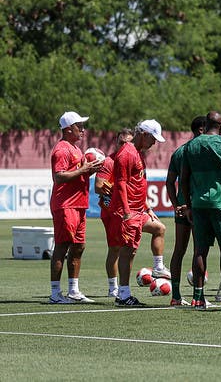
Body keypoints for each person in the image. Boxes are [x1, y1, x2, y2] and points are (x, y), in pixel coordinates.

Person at [181, 111, 221, 310]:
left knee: (200, 250)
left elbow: (184, 179)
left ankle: (198, 299)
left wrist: (187, 205)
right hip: (220, 205)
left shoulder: (191, 145)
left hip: (198, 205)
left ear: (205, 124)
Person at [48, 111, 104, 303]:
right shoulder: (62, 149)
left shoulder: (76, 149)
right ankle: (55, 293)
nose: (83, 129)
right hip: (65, 204)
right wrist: (83, 170)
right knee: (62, 246)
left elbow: (77, 175)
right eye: (79, 126)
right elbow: (59, 176)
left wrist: (89, 171)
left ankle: (74, 290)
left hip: (78, 204)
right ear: (67, 128)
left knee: (79, 246)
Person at [111, 119, 167, 307]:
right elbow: (120, 184)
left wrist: (147, 208)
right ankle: (123, 294)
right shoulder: (126, 154)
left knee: (159, 228)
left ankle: (158, 267)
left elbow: (137, 184)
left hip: (138, 209)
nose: (154, 143)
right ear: (143, 134)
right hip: (129, 212)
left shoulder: (137, 153)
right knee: (128, 251)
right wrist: (127, 211)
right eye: (153, 138)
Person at [164, 115, 206, 307]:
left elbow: (169, 182)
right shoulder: (205, 150)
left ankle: (176, 296)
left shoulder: (180, 151)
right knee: (199, 250)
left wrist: (175, 205)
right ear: (201, 130)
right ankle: (199, 297)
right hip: (199, 207)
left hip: (182, 206)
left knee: (179, 250)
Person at [95, 128, 134, 298]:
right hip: (111, 211)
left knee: (128, 246)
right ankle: (113, 287)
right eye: (121, 142)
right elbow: (98, 186)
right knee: (115, 249)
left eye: (127, 143)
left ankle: (158, 266)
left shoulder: (131, 161)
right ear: (116, 142)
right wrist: (116, 190)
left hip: (126, 211)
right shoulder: (109, 162)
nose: (123, 146)